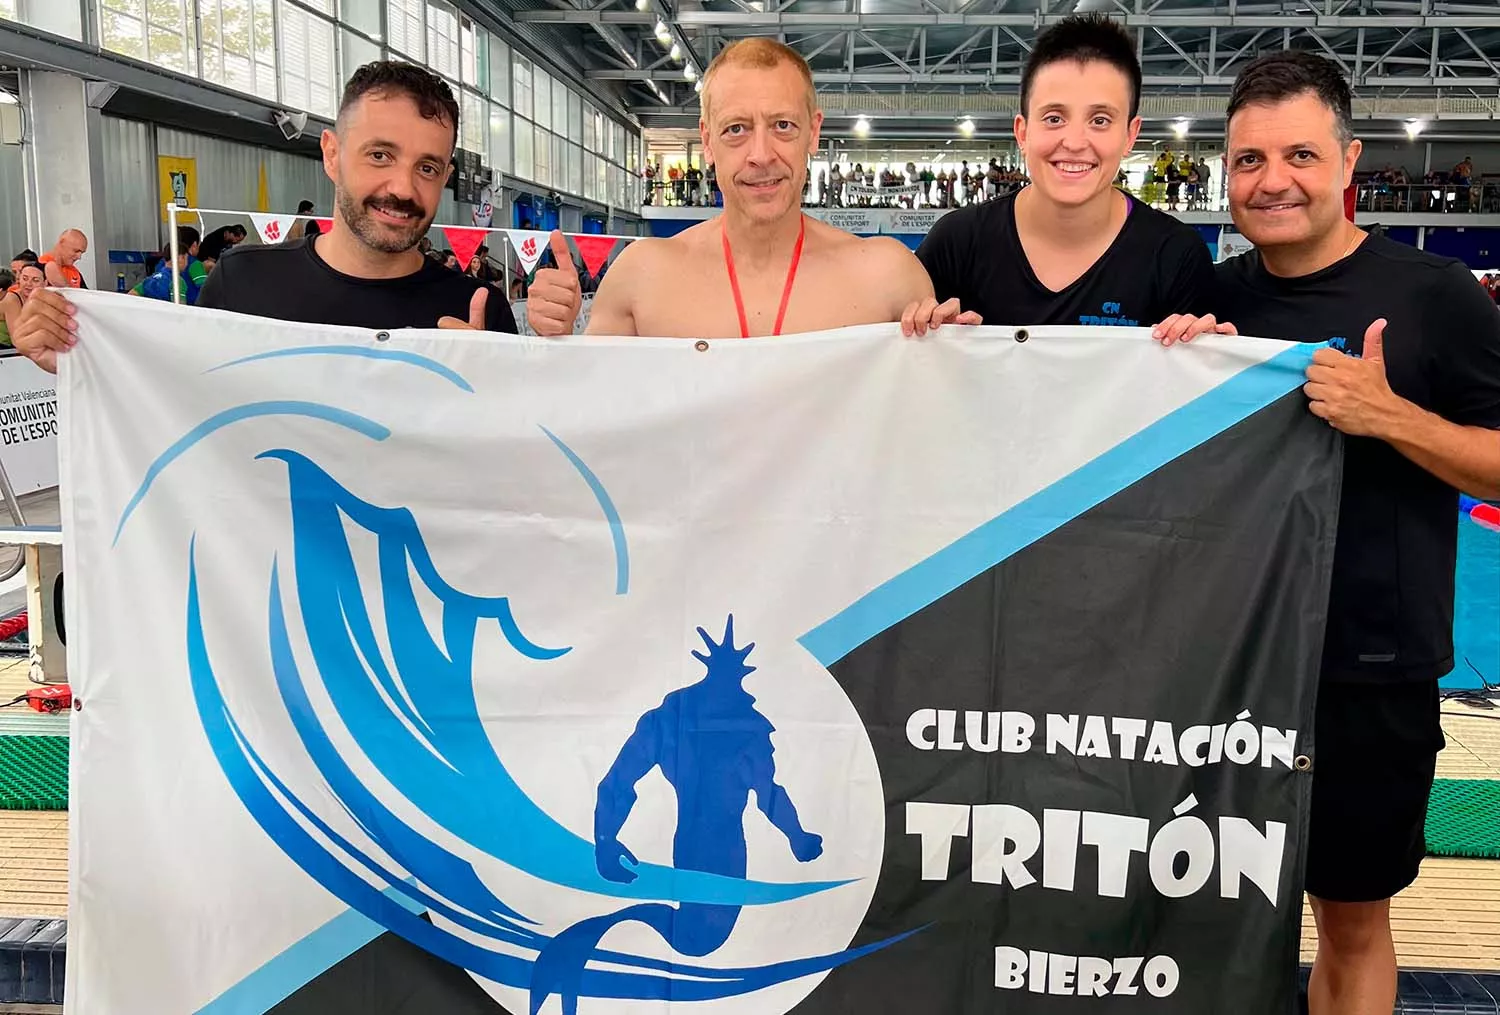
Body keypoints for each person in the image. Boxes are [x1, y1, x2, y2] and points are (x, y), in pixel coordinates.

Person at [1155, 52, 1500, 1015]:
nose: (1273, 180)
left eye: (1300, 154)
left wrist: (1392, 417)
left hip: (1369, 672)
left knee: (1350, 923)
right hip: (1221, 664)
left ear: (1349, 161)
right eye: (1250, 159)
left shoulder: (1436, 296)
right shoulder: (1208, 301)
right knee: (1201, 911)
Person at [14, 61, 517, 372]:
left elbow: (520, 476)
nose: (403, 188)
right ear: (332, 153)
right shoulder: (243, 283)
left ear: (445, 175)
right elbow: (177, 397)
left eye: (426, 167)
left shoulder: (479, 312)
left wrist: (497, 387)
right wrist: (80, 357)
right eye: (380, 155)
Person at [523, 38, 953, 339]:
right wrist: (557, 341)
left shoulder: (888, 277)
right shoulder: (641, 277)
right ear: (707, 140)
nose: (760, 155)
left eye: (782, 125)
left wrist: (952, 349)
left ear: (813, 132)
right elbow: (592, 414)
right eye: (736, 129)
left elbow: (931, 419)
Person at [910, 14, 1214, 334]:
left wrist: (1202, 347)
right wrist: (929, 332)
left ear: (1130, 135)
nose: (1074, 142)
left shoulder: (1176, 255)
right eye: (1054, 118)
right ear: (1023, 132)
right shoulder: (957, 244)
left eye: (1100, 120)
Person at [0, 263, 43, 347]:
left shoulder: (46, 299)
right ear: (19, 279)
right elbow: (18, 340)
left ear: (45, 282)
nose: (28, 284)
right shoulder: (11, 299)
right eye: (25, 279)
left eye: (35, 280)